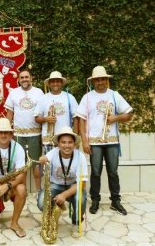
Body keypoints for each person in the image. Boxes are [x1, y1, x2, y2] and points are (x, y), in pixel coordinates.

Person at [77, 66, 133, 216]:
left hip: (112, 141)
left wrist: (116, 118)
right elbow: (81, 120)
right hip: (95, 141)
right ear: (93, 81)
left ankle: (115, 201)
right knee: (95, 172)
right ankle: (95, 200)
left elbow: (129, 114)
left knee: (113, 172)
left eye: (103, 79)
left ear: (107, 80)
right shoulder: (87, 97)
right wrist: (84, 141)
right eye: (97, 79)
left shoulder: (114, 95)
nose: (100, 82)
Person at [37, 126, 88, 230]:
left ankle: (76, 222)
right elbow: (38, 173)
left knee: (80, 200)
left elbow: (82, 184)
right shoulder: (52, 153)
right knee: (42, 202)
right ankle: (51, 217)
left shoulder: (80, 156)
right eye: (63, 142)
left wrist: (64, 195)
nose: (67, 145)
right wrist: (40, 164)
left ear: (74, 144)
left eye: (70, 142)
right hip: (55, 185)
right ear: (58, 144)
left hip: (74, 186)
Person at [4, 68, 44, 192]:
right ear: (18, 80)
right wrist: (6, 130)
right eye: (22, 77)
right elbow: (10, 113)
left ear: (31, 78)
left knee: (36, 163)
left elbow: (43, 113)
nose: (24, 79)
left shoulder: (39, 92)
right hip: (18, 134)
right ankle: (22, 191)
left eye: (27, 77)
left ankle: (38, 191)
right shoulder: (13, 93)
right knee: (20, 165)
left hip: (35, 133)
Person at [34, 71, 78, 154]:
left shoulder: (69, 97)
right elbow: (36, 118)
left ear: (61, 83)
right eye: (53, 81)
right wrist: (46, 119)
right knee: (49, 165)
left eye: (58, 81)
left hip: (66, 139)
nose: (55, 83)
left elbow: (76, 118)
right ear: (49, 84)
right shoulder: (43, 98)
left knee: (66, 164)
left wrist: (75, 136)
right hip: (48, 140)